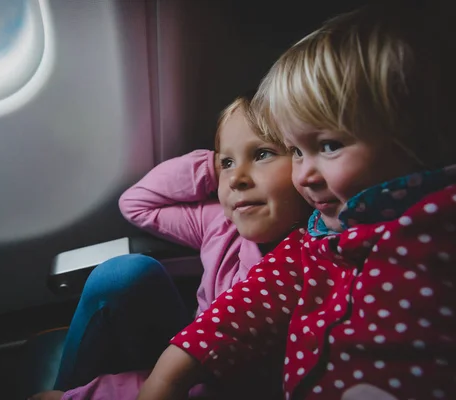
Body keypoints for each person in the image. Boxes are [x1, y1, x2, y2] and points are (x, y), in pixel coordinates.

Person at [138, 3, 456, 400]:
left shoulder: (440, 232)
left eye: (328, 145)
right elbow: (241, 311)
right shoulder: (315, 241)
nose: (303, 174)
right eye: (296, 150)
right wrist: (168, 377)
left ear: (419, 137)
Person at [27, 91, 312, 400]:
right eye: (228, 161)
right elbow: (137, 204)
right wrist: (212, 168)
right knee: (122, 273)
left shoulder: (312, 261)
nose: (237, 179)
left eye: (262, 154)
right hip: (188, 351)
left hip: (229, 382)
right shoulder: (221, 223)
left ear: (304, 162)